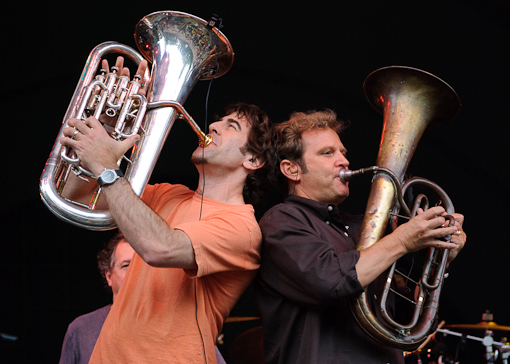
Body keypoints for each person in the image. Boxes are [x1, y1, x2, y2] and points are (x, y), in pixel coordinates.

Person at [59, 57, 277, 364]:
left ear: (253, 161)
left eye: (232, 126)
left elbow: (160, 248)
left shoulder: (242, 227)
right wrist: (106, 126)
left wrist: (108, 168)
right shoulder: (166, 194)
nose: (212, 125)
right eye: (219, 120)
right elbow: (77, 198)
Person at [254, 109, 466, 364]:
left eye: (342, 152)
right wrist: (402, 241)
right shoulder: (282, 221)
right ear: (292, 170)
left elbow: (409, 329)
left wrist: (439, 257)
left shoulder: (361, 230)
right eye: (327, 153)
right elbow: (329, 280)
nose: (344, 161)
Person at [59, 233, 135, 364]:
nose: (135, 272)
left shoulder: (165, 324)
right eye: (126, 265)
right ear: (109, 276)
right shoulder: (82, 329)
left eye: (142, 268)